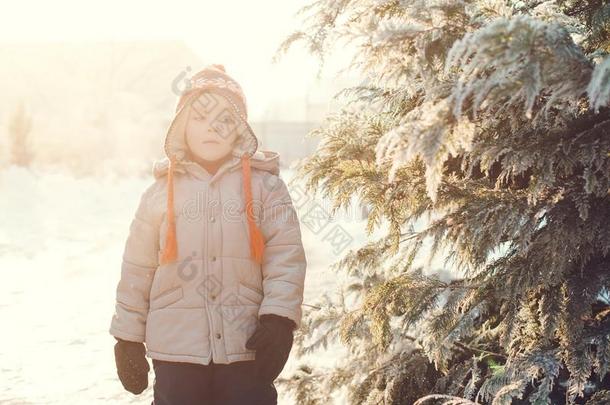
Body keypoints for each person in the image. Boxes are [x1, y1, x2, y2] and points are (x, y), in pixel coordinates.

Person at [108, 64, 307, 405]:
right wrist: (127, 337)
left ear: (240, 127)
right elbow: (137, 269)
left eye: (223, 119)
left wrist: (278, 318)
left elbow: (285, 257)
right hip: (176, 351)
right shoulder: (159, 194)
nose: (211, 129)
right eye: (199, 118)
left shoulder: (266, 188)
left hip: (247, 346)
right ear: (181, 126)